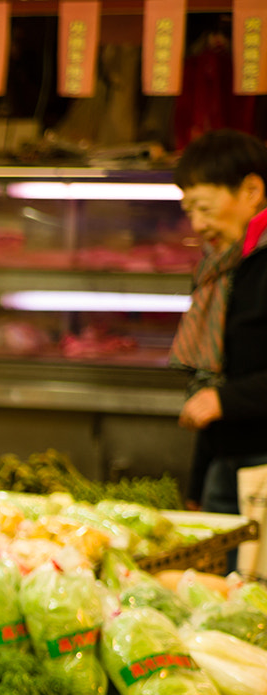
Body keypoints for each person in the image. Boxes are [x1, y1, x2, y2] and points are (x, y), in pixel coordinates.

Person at [174, 129, 267, 513]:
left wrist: (225, 400)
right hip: (225, 463)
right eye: (189, 211)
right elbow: (212, 376)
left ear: (250, 191)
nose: (197, 225)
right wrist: (198, 484)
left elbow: (217, 393)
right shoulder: (221, 270)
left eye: (205, 208)